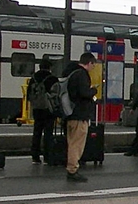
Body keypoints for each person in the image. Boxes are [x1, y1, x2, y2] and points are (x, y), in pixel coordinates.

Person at [62, 52, 98, 183]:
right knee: (76, 145)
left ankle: (72, 168)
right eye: (93, 65)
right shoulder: (82, 74)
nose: (93, 68)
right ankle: (72, 170)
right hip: (79, 115)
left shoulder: (72, 73)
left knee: (72, 143)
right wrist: (94, 90)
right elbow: (84, 93)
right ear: (89, 63)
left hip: (70, 114)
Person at [28, 59, 58, 164]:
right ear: (50, 68)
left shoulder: (33, 78)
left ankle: (35, 157)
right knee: (48, 133)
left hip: (36, 108)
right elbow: (56, 94)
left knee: (37, 132)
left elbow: (29, 95)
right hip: (48, 109)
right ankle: (47, 157)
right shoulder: (52, 79)